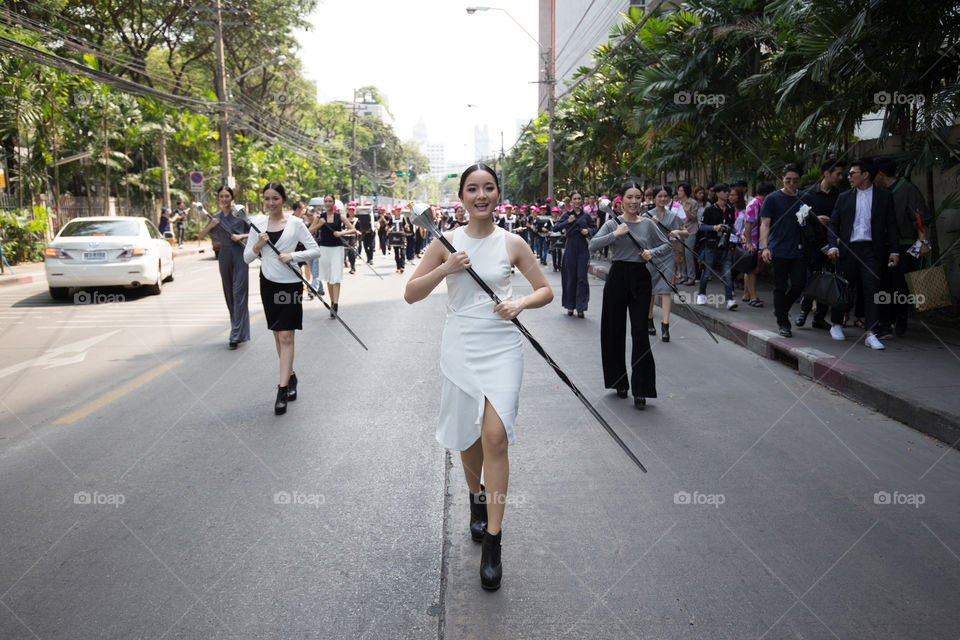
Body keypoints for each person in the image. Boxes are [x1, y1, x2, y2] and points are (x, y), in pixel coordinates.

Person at [404, 163, 553, 592]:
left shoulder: (514, 242)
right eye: (473, 189)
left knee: (494, 437)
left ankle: (494, 539)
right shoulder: (444, 240)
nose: (481, 195)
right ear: (462, 197)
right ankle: (476, 497)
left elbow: (546, 290)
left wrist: (520, 303)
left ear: (497, 194)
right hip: (461, 346)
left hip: (502, 346)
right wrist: (445, 267)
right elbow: (411, 294)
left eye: (488, 188)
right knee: (468, 436)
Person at [589, 181, 672, 409]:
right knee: (613, 330)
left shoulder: (647, 225)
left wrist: (650, 253)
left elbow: (667, 245)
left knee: (639, 332)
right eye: (629, 197)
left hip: (640, 278)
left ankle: (641, 389)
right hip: (617, 278)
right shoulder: (613, 222)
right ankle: (619, 383)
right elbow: (592, 245)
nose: (634, 201)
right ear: (621, 200)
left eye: (638, 197)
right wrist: (615, 234)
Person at [244, 182, 321, 414]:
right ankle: (291, 376)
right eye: (267, 198)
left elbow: (314, 249)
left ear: (283, 200)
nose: (270, 203)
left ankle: (281, 389)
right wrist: (258, 244)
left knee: (287, 336)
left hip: (290, 285)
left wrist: (293, 256)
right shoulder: (257, 224)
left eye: (275, 198)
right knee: (278, 335)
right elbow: (247, 257)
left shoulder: (296, 223)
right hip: (268, 283)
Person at [827, 158, 899, 350]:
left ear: (865, 175)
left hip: (872, 250)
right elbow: (834, 223)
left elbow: (891, 224)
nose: (848, 177)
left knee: (872, 290)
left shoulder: (884, 197)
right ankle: (836, 323)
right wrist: (833, 245)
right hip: (848, 249)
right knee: (844, 287)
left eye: (852, 173)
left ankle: (870, 333)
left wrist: (894, 250)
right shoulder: (844, 197)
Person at [873, 156, 933, 336]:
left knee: (901, 285)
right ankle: (885, 321)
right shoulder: (879, 192)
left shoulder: (907, 190)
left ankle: (901, 318)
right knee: (884, 284)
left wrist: (923, 241)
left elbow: (919, 219)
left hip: (905, 245)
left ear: (881, 175)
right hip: (884, 245)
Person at [198, 186, 251, 349]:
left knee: (239, 292)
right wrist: (211, 225)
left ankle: (235, 335)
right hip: (224, 255)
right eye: (221, 196)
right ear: (218, 199)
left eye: (227, 196)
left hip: (240, 254)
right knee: (229, 294)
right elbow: (200, 235)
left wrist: (240, 236)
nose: (224, 199)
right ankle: (239, 331)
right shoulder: (215, 217)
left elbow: (255, 232)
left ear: (231, 198)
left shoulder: (239, 214)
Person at [759, 164, 807, 337]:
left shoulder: (804, 197)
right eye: (788, 180)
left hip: (799, 249)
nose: (792, 184)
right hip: (777, 249)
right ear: (782, 179)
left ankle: (781, 310)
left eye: (795, 181)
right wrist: (765, 247)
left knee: (799, 284)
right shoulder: (772, 198)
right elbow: (765, 224)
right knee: (780, 287)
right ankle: (783, 322)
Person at [796, 159, 845, 329]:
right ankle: (804, 310)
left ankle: (819, 317)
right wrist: (815, 218)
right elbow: (799, 217)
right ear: (827, 173)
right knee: (814, 277)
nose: (841, 177)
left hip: (832, 243)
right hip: (811, 244)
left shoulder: (840, 195)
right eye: (838, 173)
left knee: (828, 280)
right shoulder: (808, 194)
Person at [644, 185, 687, 342]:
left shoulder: (673, 215)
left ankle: (665, 326)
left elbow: (686, 232)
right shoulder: (647, 215)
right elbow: (641, 234)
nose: (662, 199)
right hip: (651, 254)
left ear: (669, 198)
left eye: (665, 196)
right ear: (654, 198)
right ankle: (649, 319)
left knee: (666, 289)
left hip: (667, 255)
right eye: (659, 196)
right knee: (651, 290)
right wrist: (651, 224)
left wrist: (677, 232)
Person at [552, 190, 594, 317]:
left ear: (581, 200)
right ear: (571, 201)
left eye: (579, 198)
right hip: (570, 247)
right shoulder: (567, 214)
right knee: (570, 277)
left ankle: (580, 307)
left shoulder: (586, 216)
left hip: (582, 248)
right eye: (574, 198)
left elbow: (595, 228)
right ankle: (570, 306)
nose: (577, 201)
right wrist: (568, 222)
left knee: (582, 277)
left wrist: (588, 231)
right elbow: (555, 228)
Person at [697, 183, 738, 311]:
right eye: (725, 192)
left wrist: (739, 234)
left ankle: (729, 300)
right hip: (711, 244)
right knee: (707, 271)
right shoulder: (710, 209)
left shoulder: (731, 208)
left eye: (728, 192)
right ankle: (701, 293)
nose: (727, 194)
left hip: (725, 245)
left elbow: (731, 225)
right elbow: (701, 226)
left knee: (728, 273)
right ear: (718, 193)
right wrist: (714, 227)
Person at [315, 194, 358, 317]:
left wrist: (341, 233)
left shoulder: (339, 216)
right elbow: (310, 231)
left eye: (330, 201)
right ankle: (331, 302)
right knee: (328, 278)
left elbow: (353, 230)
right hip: (324, 249)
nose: (328, 203)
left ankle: (336, 304)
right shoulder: (320, 217)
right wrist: (319, 224)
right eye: (326, 201)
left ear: (333, 203)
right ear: (324, 203)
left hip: (336, 249)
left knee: (336, 277)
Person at [741, 182, 775, 308]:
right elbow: (748, 224)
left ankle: (748, 294)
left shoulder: (762, 203)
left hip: (759, 242)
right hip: (754, 243)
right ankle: (753, 297)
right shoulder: (755, 204)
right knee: (752, 271)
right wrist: (749, 242)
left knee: (751, 269)